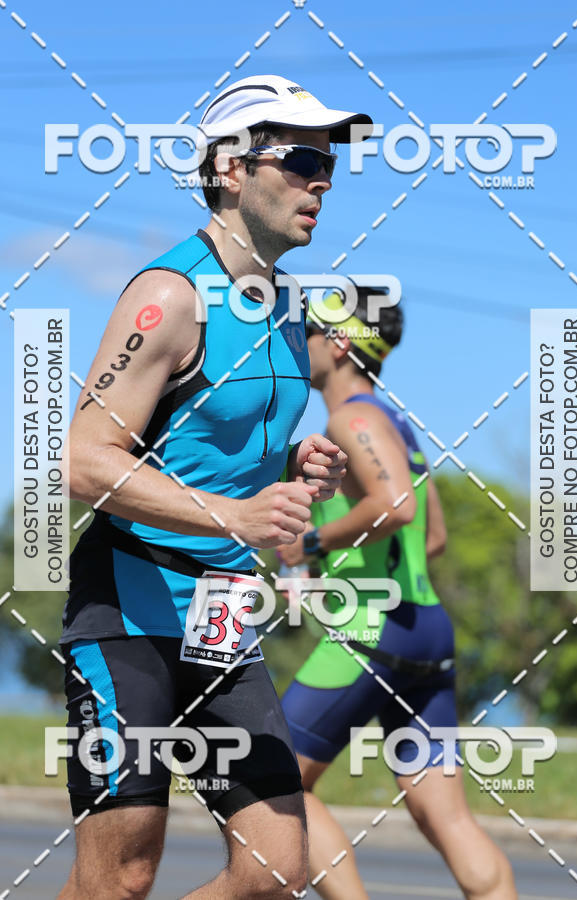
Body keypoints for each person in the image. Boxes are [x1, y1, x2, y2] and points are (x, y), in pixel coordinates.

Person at [58, 75, 372, 900]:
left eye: (330, 164)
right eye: (302, 160)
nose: (322, 182)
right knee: (119, 878)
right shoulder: (170, 295)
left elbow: (206, 440)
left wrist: (293, 462)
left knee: (277, 870)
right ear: (232, 168)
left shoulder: (288, 307)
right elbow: (82, 460)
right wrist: (234, 513)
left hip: (223, 610)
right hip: (132, 602)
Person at [278, 288, 517, 899]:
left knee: (275, 779)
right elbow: (433, 537)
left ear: (338, 344)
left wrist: (312, 545)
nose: (299, 343)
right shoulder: (399, 426)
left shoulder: (350, 420)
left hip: (371, 628)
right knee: (446, 817)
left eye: (308, 332)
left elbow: (397, 506)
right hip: (426, 629)